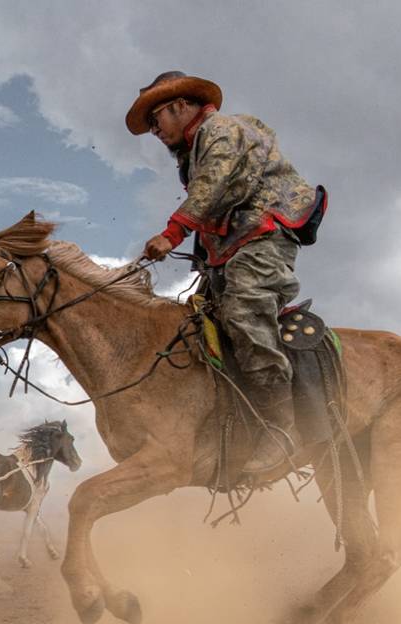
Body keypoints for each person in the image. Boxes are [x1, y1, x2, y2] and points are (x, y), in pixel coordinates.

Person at [126, 71, 327, 475]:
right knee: (202, 321)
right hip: (230, 246)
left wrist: (173, 233)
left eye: (156, 119)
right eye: (148, 125)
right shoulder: (193, 151)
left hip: (264, 236)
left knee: (243, 314)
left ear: (181, 106)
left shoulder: (222, 131)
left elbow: (213, 186)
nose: (153, 131)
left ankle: (281, 429)